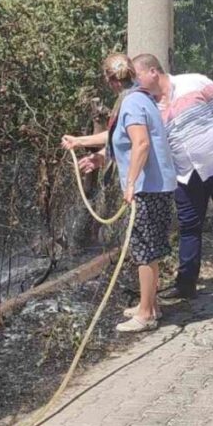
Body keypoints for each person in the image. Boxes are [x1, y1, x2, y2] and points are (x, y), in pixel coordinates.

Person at [61, 53, 177, 333]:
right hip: (154, 187)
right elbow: (119, 137)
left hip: (148, 188)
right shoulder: (137, 99)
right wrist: (83, 144)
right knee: (147, 248)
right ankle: (149, 304)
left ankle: (147, 314)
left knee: (145, 251)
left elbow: (141, 144)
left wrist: (130, 183)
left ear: (111, 79)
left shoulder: (133, 103)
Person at [131, 54, 213, 305]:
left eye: (138, 76)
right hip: (186, 174)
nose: (135, 82)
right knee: (189, 227)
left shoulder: (194, 83)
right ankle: (186, 283)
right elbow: (136, 136)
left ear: (153, 72)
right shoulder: (148, 105)